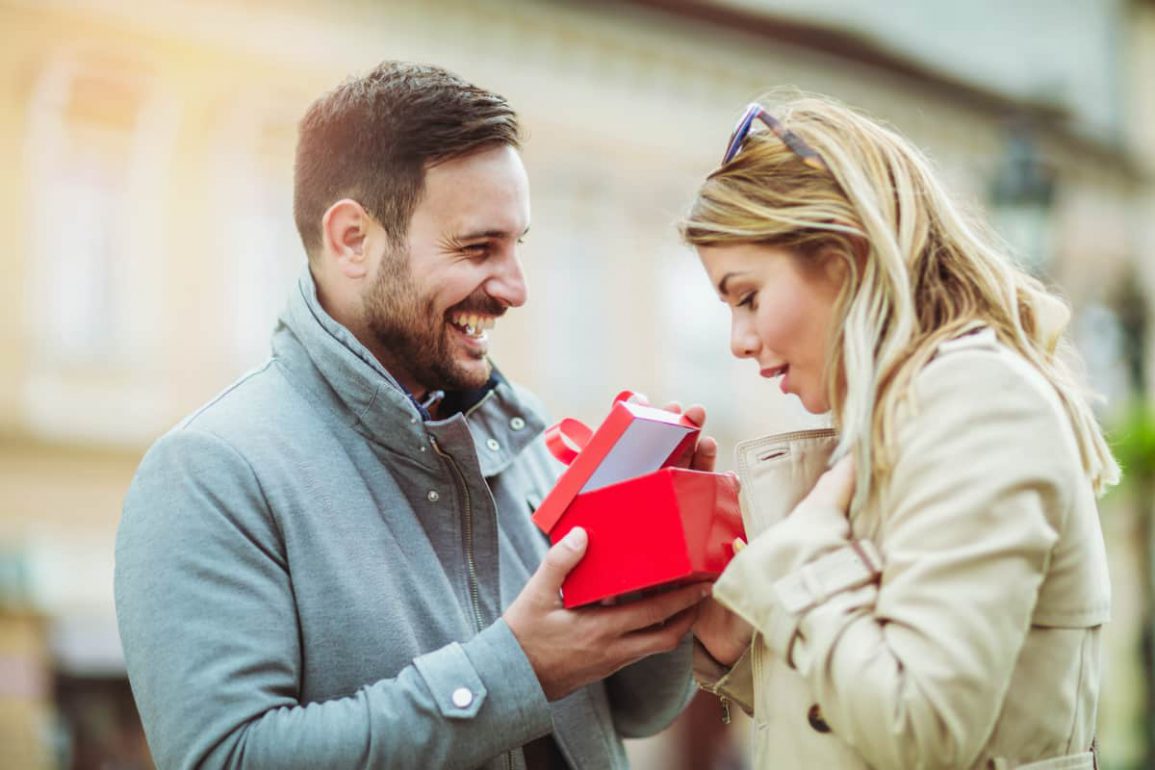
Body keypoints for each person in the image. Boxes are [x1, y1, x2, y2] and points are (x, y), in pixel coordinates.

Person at [114, 61, 713, 770]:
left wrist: (658, 565)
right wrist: (515, 669)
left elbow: (635, 709)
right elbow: (230, 759)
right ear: (352, 240)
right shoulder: (210, 474)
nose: (516, 288)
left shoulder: (528, 442)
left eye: (517, 245)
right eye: (476, 247)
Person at [685, 95, 1116, 769]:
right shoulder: (898, 415)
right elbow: (860, 708)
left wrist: (793, 562)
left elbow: (920, 730)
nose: (739, 340)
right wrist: (732, 643)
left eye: (747, 297)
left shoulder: (978, 402)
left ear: (840, 254)